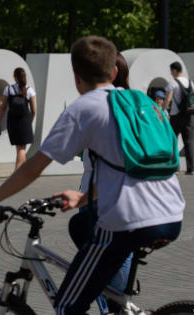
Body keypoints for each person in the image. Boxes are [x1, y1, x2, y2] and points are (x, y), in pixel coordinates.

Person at [0, 36, 185, 315]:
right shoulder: (140, 103)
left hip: (129, 222)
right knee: (80, 226)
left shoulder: (83, 109)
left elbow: (33, 167)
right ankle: (113, 299)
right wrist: (84, 197)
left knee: (68, 306)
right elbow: (129, 168)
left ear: (75, 76)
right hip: (171, 214)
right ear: (115, 71)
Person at [75, 51, 132, 315]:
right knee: (118, 257)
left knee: (94, 270)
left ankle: (115, 303)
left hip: (99, 201)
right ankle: (118, 300)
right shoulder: (133, 106)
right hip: (130, 202)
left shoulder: (102, 111)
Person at [0, 68, 36, 170]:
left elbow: (3, 108)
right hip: (25, 121)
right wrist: (29, 122)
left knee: (19, 148)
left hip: (12, 121)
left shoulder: (8, 89)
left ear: (15, 77)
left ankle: (20, 172)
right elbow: (34, 110)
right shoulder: (29, 90)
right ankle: (18, 172)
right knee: (22, 148)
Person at [162, 61, 194, 175]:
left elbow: (168, 99)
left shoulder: (172, 83)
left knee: (173, 141)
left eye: (171, 71)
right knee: (188, 142)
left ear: (174, 70)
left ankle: (175, 167)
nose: (171, 73)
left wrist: (162, 110)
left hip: (176, 116)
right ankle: (191, 168)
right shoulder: (191, 83)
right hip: (188, 116)